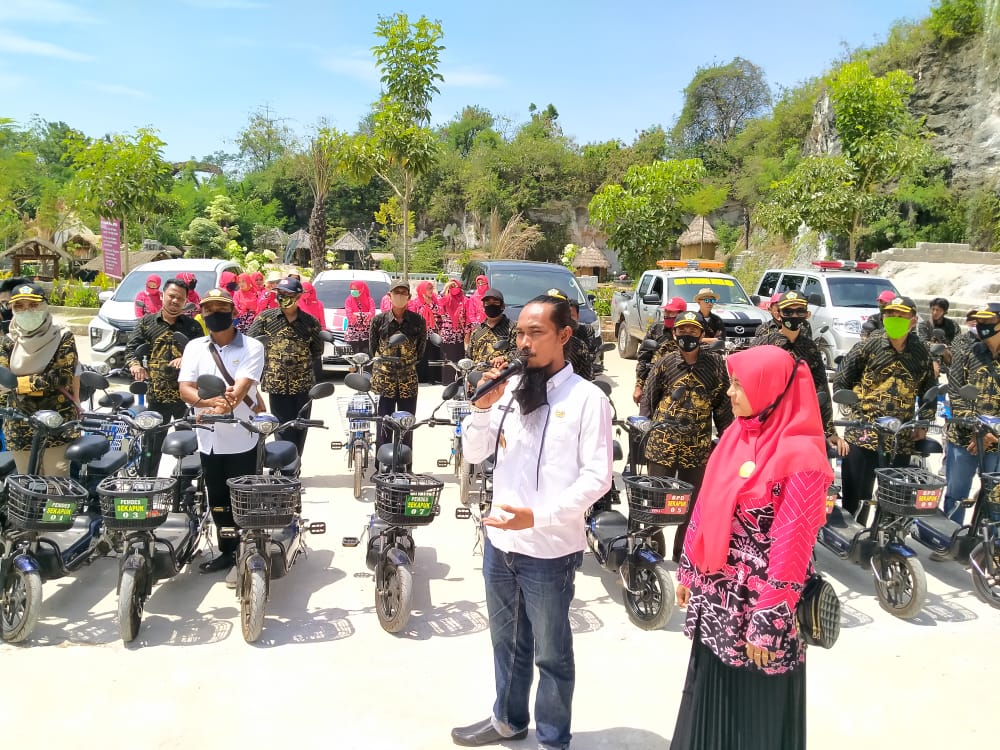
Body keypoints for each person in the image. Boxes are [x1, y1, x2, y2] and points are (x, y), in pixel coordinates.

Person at [452, 293, 613, 750]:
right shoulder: (509, 391)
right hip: (501, 546)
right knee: (506, 643)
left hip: (550, 551)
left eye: (535, 333)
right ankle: (507, 720)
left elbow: (596, 478)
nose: (523, 342)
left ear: (564, 335)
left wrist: (538, 517)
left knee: (552, 654)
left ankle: (552, 739)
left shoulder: (587, 400)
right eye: (520, 332)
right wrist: (483, 408)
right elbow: (475, 453)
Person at [672, 345, 833, 750]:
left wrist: (768, 620)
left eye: (739, 385)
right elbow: (705, 506)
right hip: (718, 598)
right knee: (713, 693)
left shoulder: (802, 457)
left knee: (753, 710)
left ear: (770, 390)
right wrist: (690, 569)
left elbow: (793, 546)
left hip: (760, 605)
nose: (729, 393)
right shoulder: (735, 436)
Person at [178, 288, 265, 585]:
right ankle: (228, 550)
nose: (215, 314)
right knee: (217, 500)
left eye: (221, 308)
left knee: (244, 499)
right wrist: (210, 404)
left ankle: (248, 550)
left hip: (242, 437)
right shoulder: (194, 348)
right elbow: (185, 388)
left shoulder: (252, 347)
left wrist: (219, 403)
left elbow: (239, 392)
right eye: (209, 309)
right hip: (208, 439)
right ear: (201, 314)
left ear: (234, 312)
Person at [832, 296, 937, 525]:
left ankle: (885, 545)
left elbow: (930, 390)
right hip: (864, 434)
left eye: (901, 316)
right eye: (890, 315)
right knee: (856, 499)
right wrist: (855, 413)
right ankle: (854, 544)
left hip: (900, 438)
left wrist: (923, 424)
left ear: (913, 321)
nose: (894, 319)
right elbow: (841, 382)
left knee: (894, 499)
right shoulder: (869, 345)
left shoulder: (922, 352)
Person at [641, 311, 734, 561]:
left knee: (692, 505)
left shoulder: (714, 365)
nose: (687, 336)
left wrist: (729, 440)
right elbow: (649, 399)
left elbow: (723, 406)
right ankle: (654, 550)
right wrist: (644, 427)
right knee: (656, 500)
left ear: (702, 335)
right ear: (674, 333)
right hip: (663, 444)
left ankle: (683, 553)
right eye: (682, 331)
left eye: (693, 331)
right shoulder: (665, 362)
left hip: (697, 447)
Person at [125, 278, 204, 473]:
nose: (175, 301)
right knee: (151, 447)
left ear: (186, 301)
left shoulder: (192, 326)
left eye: (180, 298)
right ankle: (146, 486)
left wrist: (186, 360)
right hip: (156, 396)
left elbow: (204, 354)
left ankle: (184, 489)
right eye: (172, 296)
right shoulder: (146, 323)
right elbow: (131, 349)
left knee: (187, 448)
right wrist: (135, 365)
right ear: (162, 295)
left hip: (184, 398)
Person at [0, 282, 80, 475]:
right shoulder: (9, 340)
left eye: (33, 305)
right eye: (19, 306)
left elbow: (61, 378)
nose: (27, 311)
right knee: (27, 489)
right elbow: (2, 378)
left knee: (57, 486)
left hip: (56, 425)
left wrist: (18, 384)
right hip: (19, 426)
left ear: (44, 305)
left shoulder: (62, 336)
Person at [752, 291, 845, 456]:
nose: (794, 316)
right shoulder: (763, 344)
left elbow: (821, 390)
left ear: (807, 315)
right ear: (779, 314)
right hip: (768, 424)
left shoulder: (810, 349)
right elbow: (747, 384)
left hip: (800, 425)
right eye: (788, 312)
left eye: (799, 312)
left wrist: (830, 432)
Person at [247, 277, 324, 457]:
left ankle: (295, 463)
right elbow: (251, 344)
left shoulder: (309, 322)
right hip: (277, 383)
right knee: (281, 427)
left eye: (288, 294)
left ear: (298, 296)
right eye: (280, 294)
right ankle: (283, 464)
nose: (283, 298)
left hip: (303, 383)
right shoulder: (265, 319)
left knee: (301, 425)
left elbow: (317, 350)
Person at [941, 303, 1000, 525]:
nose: (981, 326)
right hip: (964, 438)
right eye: (979, 321)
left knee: (996, 499)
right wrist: (979, 431)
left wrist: (992, 434)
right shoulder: (969, 351)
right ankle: (949, 541)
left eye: (988, 321)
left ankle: (991, 547)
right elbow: (955, 393)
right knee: (957, 494)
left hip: (997, 440)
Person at [369, 281, 427, 453]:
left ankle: (405, 466)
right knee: (384, 424)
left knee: (406, 425)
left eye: (404, 292)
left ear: (409, 297)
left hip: (407, 380)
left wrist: (405, 363)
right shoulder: (378, 321)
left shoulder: (418, 321)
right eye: (396, 292)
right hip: (385, 380)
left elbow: (420, 351)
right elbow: (373, 350)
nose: (400, 295)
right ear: (389, 296)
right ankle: (382, 467)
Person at [633, 295, 687, 406]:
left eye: (671, 312)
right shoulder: (656, 329)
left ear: (682, 314)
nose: (667, 315)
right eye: (666, 311)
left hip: (680, 388)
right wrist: (639, 386)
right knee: (644, 419)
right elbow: (643, 358)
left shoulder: (689, 332)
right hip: (653, 384)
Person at [467, 288, 515, 369]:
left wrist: (503, 358)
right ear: (483, 306)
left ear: (502, 306)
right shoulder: (477, 330)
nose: (491, 306)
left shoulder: (512, 327)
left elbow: (518, 352)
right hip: (478, 376)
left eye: (495, 302)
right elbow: (469, 356)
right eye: (488, 303)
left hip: (501, 375)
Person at [438, 278, 469, 385]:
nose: (453, 289)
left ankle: (459, 380)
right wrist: (446, 287)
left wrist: (467, 332)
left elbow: (467, 316)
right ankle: (447, 381)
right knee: (448, 357)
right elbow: (438, 302)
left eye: (455, 286)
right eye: (451, 287)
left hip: (459, 334)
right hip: (448, 334)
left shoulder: (464, 300)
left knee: (459, 356)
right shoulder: (446, 299)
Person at [412, 280, 441, 384]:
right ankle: (421, 378)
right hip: (420, 333)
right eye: (428, 289)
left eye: (431, 289)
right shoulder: (415, 302)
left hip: (432, 333)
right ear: (422, 290)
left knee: (433, 354)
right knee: (421, 355)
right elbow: (412, 317)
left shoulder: (435, 300)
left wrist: (430, 304)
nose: (431, 291)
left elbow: (440, 312)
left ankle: (433, 378)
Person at [344, 280, 376, 354]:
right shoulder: (349, 300)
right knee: (355, 356)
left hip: (367, 334)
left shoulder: (369, 300)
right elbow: (350, 316)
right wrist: (365, 315)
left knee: (367, 355)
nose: (353, 291)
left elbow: (372, 314)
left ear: (362, 289)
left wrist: (356, 315)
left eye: (355, 289)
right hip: (353, 335)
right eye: (351, 289)